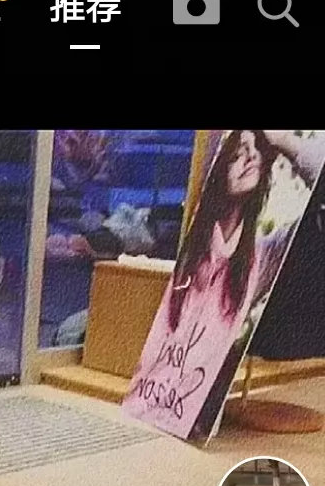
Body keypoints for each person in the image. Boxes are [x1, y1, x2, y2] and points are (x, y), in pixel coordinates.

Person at [122, 130, 325, 439]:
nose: (250, 157)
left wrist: (283, 141)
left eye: (255, 151)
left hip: (196, 402)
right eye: (238, 154)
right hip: (167, 399)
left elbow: (316, 172)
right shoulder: (197, 256)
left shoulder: (259, 255)